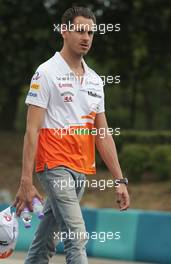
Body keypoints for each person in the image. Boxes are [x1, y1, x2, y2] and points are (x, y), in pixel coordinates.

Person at [13, 6, 130, 264]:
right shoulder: (46, 73)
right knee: (76, 235)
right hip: (54, 165)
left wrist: (120, 180)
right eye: (80, 30)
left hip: (81, 169)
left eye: (90, 32)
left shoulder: (95, 81)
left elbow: (102, 133)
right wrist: (26, 180)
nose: (86, 37)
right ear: (64, 31)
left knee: (45, 241)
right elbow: (31, 130)